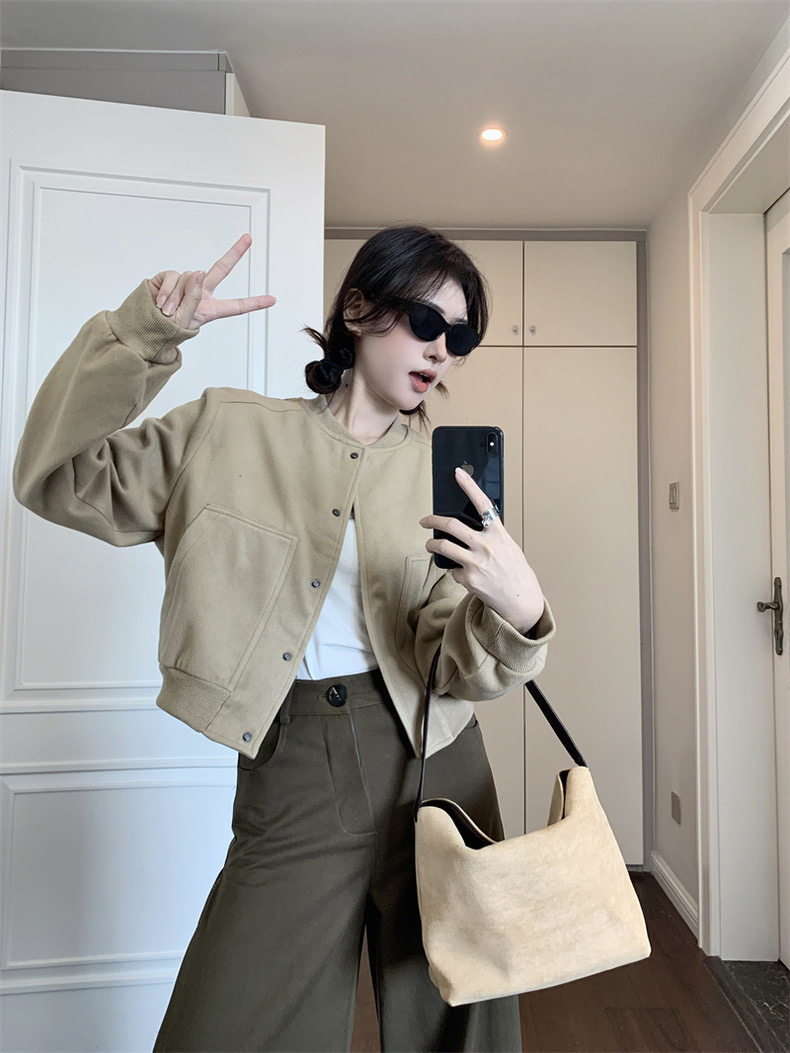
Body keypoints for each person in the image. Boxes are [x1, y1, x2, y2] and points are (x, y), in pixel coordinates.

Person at [12, 225, 556, 1052]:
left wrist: (515, 614)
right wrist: (143, 336)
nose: (441, 350)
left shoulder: (444, 476)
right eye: (425, 321)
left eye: (460, 336)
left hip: (441, 763)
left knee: (462, 1022)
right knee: (231, 1024)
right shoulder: (226, 428)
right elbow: (56, 478)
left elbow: (453, 665)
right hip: (296, 761)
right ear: (358, 310)